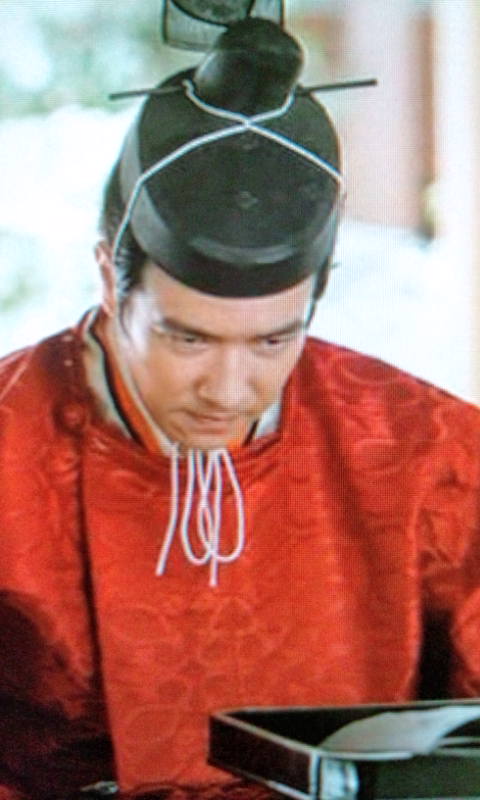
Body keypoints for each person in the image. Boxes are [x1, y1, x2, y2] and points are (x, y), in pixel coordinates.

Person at [1, 13, 480, 800]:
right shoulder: (11, 439)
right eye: (186, 339)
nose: (228, 390)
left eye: (272, 341)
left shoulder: (428, 451)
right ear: (109, 279)